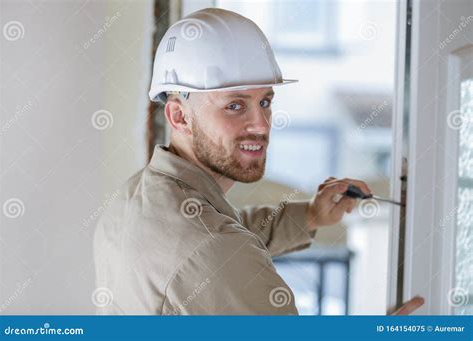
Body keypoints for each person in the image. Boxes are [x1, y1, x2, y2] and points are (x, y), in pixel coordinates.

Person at [93, 7, 423, 315]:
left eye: (264, 101)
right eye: (235, 106)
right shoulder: (210, 246)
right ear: (179, 116)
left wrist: (310, 214)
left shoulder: (131, 199)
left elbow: (227, 235)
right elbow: (218, 249)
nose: (262, 125)